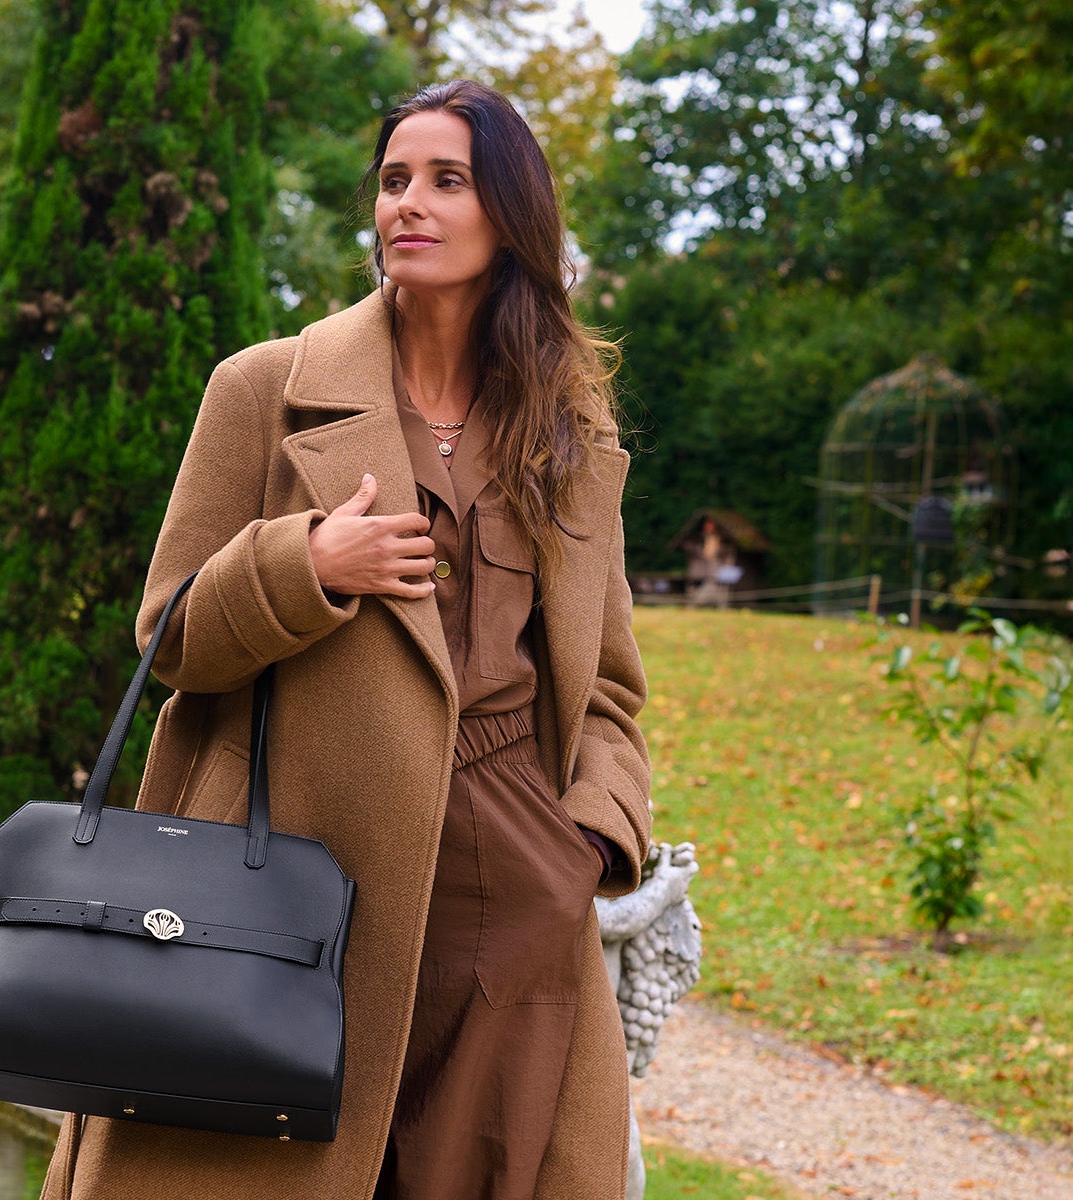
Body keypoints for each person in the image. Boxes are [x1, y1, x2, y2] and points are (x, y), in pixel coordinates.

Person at [37, 79, 652, 1200]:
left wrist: (591, 839)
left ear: (510, 216)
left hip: (513, 891)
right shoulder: (264, 389)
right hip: (291, 872)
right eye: (393, 179)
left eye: (447, 181)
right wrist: (304, 565)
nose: (407, 203)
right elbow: (170, 637)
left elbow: (606, 681)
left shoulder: (566, 429)